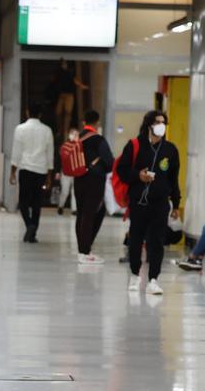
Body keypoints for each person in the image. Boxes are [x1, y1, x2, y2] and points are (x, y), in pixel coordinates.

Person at [116, 109, 181, 295]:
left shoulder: (170, 150)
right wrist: (138, 176)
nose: (161, 126)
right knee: (135, 240)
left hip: (160, 203)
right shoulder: (134, 145)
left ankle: (153, 279)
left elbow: (173, 179)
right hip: (138, 202)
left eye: (163, 122)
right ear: (149, 125)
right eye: (157, 122)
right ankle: (135, 275)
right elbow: (122, 170)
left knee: (157, 242)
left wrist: (176, 204)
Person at [73, 110, 114, 264]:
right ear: (97, 122)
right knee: (93, 213)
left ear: (84, 122)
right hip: (95, 180)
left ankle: (82, 250)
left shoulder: (78, 138)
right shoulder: (98, 139)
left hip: (79, 178)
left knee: (82, 213)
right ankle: (85, 251)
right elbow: (109, 162)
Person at [10, 104, 55, 243]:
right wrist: (49, 176)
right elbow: (50, 154)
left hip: (25, 169)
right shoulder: (47, 130)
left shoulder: (20, 129)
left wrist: (13, 172)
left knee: (23, 201)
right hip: (41, 170)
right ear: (40, 114)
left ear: (27, 112)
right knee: (37, 202)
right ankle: (33, 231)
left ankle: (29, 225)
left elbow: (16, 151)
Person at [53, 58, 87, 140]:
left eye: (65, 63)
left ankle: (65, 130)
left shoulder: (70, 72)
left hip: (69, 94)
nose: (64, 65)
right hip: (62, 94)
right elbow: (55, 81)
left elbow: (74, 80)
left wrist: (81, 86)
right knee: (58, 112)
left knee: (68, 113)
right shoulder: (59, 72)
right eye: (63, 64)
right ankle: (60, 130)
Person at [56, 128, 79, 216]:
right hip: (65, 172)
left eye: (77, 134)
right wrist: (58, 172)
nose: (75, 136)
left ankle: (74, 209)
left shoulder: (79, 146)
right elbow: (59, 160)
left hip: (76, 172)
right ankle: (61, 206)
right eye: (74, 134)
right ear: (70, 135)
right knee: (65, 191)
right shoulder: (64, 146)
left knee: (75, 191)